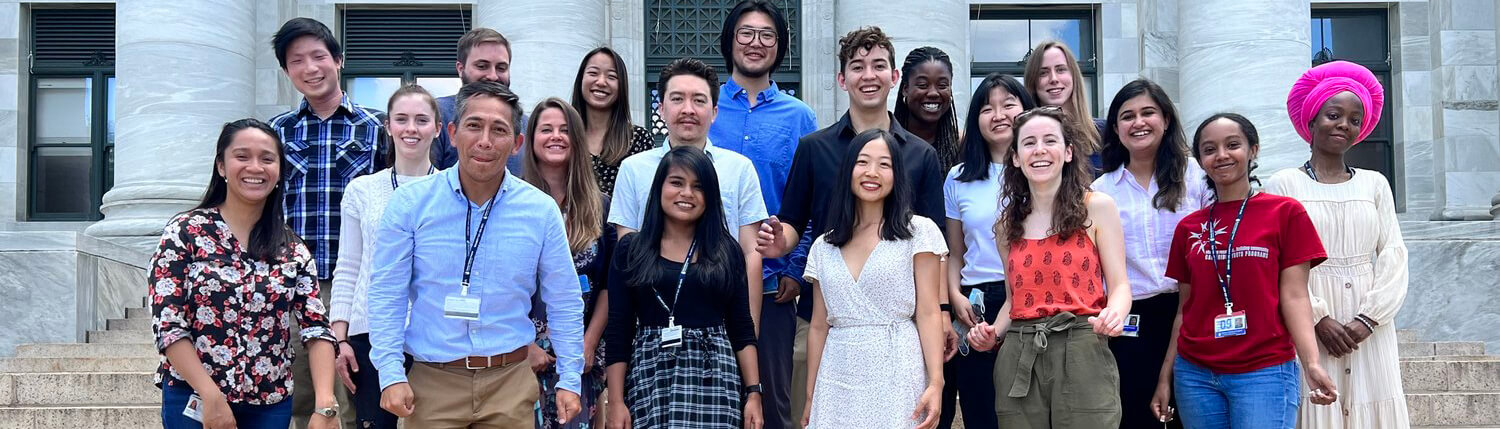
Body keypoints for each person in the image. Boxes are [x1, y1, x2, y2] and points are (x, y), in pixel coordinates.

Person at [366, 81, 586, 427]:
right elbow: (386, 293)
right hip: (431, 383)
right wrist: (391, 373)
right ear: (452, 134)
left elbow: (565, 298)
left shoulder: (540, 211)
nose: (485, 140)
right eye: (474, 126)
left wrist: (570, 378)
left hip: (510, 382)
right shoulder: (410, 204)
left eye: (499, 130)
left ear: (516, 144)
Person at [755, 28, 958, 393]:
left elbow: (935, 246)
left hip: (901, 325)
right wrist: (778, 244)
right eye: (857, 66)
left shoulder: (920, 155)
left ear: (894, 77)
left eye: (878, 66)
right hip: (823, 316)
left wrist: (942, 311)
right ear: (841, 78)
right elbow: (793, 222)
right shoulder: (814, 148)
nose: (868, 75)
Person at [1149, 113, 1340, 429]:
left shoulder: (1285, 214)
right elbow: (1185, 310)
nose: (1221, 155)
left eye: (1232, 145)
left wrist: (1312, 363)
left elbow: (1294, 296)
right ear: (1200, 160)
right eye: (1209, 149)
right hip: (1195, 374)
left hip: (1264, 371)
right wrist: (1165, 376)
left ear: (1253, 150)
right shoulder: (1189, 228)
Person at [149, 119, 340, 429]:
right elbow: (169, 325)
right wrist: (211, 396)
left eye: (267, 158)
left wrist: (325, 403)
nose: (255, 167)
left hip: (270, 405)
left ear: (279, 171)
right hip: (194, 396)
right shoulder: (185, 233)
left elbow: (316, 329)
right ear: (221, 166)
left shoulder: (292, 249)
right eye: (242, 156)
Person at [965, 106, 1133, 428]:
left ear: (1068, 152)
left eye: (1049, 140)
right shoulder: (1005, 225)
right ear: (1015, 157)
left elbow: (1120, 285)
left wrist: (1115, 312)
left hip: (1083, 344)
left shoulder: (1096, 206)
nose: (1039, 150)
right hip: (1020, 352)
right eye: (1028, 143)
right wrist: (991, 334)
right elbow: (1014, 302)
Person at [1265, 61, 1410, 428]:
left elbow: (1393, 252)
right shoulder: (1283, 185)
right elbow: (1274, 261)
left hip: (1369, 322)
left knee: (1372, 403)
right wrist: (1317, 317)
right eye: (1334, 114)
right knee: (1316, 405)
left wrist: (1369, 318)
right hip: (1306, 316)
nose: (1344, 124)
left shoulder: (1375, 184)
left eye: (1354, 119)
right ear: (1312, 120)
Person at [268, 17, 386, 428]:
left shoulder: (376, 128)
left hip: (356, 281)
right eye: (297, 60)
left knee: (357, 393)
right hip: (294, 281)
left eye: (318, 56)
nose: (310, 68)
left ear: (338, 60)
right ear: (287, 71)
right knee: (300, 392)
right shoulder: (276, 132)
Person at [708, 2, 820, 427]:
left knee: (773, 407)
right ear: (730, 40)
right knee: (712, 402)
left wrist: (795, 266)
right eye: (746, 33)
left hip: (774, 285)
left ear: (780, 46)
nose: (756, 43)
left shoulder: (799, 116)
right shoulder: (705, 105)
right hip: (704, 279)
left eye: (767, 35)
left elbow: (811, 201)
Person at [602, 146, 764, 428]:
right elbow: (619, 328)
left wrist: (753, 394)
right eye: (677, 182)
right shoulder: (631, 249)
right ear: (659, 187)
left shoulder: (727, 251)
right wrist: (616, 401)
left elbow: (741, 328)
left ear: (710, 196)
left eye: (698, 187)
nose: (686, 193)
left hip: (715, 376)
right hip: (649, 375)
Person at [608, 57, 769, 332]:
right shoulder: (633, 169)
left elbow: (750, 255)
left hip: (719, 322)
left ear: (715, 111)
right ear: (660, 108)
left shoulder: (739, 169)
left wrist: (748, 334)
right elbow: (627, 254)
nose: (688, 109)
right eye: (677, 99)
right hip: (650, 324)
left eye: (699, 100)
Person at [802, 129, 948, 428]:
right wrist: (809, 397)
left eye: (885, 164)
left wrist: (936, 382)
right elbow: (818, 326)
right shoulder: (823, 246)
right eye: (863, 162)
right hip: (836, 376)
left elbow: (929, 311)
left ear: (897, 175)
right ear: (848, 171)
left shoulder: (918, 232)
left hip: (897, 368)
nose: (872, 172)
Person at [1091, 78, 1210, 429]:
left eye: (1148, 113)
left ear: (1166, 120)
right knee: (1136, 415)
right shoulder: (1101, 190)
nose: (1138, 123)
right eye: (1127, 116)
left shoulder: (1195, 177)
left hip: (1191, 310)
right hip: (1131, 321)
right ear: (1115, 127)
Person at [328, 84, 440, 429]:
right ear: (388, 126)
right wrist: (340, 338)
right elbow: (347, 267)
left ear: (437, 128)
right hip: (370, 336)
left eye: (422, 120)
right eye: (402, 119)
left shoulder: (451, 189)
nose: (411, 128)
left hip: (434, 338)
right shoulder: (362, 190)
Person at [937, 73, 1034, 429]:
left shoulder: (1039, 170)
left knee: (1027, 410)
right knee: (980, 408)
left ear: (1025, 110)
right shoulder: (958, 177)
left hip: (1029, 302)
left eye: (1008, 104)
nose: (998, 114)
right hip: (974, 303)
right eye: (987, 107)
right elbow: (955, 251)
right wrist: (953, 298)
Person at [521, 98, 617, 429]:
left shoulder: (601, 206)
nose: (556, 136)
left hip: (580, 358)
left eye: (565, 130)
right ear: (531, 139)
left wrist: (587, 344)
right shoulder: (513, 204)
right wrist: (525, 347)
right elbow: (495, 283)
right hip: (521, 357)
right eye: (546, 129)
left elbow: (608, 284)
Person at [431, 28, 525, 173]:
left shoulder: (525, 123)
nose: (493, 76)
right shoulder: (435, 114)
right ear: (460, 69)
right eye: (482, 66)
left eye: (501, 68)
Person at [572, 47, 656, 195]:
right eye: (593, 73)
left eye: (611, 76)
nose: (601, 82)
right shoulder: (565, 135)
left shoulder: (639, 139)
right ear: (581, 79)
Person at [1023, 40, 1102, 168]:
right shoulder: (1022, 140)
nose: (1053, 79)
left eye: (1061, 70)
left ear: (1073, 76)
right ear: (1033, 82)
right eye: (1043, 72)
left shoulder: (1104, 134)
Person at [894, 46, 961, 170]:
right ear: (905, 89)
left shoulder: (964, 146)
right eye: (922, 85)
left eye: (942, 85)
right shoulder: (885, 144)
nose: (933, 93)